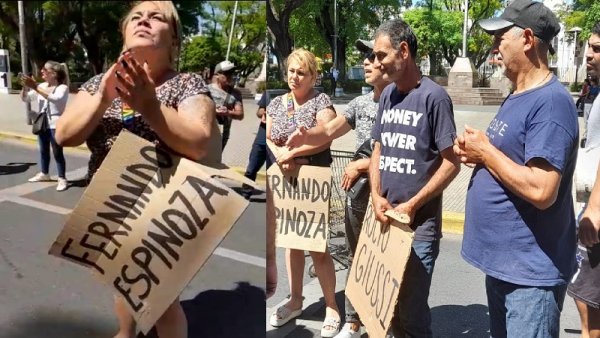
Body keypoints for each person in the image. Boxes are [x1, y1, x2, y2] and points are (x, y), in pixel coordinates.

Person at [55, 1, 221, 338]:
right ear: (124, 32)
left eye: (156, 17)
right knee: (121, 279)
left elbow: (200, 142)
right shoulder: (99, 83)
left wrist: (150, 107)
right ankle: (125, 331)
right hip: (112, 204)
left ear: (173, 40)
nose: (144, 20)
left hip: (165, 209)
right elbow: (64, 135)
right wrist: (104, 96)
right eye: (136, 17)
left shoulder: (187, 84)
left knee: (162, 300)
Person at [453, 1, 579, 337]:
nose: (494, 47)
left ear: (526, 38)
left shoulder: (550, 102)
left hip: (530, 277)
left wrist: (486, 152)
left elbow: (541, 190)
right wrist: (476, 154)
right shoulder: (518, 95)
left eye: (499, 38)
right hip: (506, 268)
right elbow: (505, 155)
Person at [284, 38, 390, 338]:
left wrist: (364, 164)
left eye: (373, 56)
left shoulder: (407, 101)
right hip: (358, 194)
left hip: (392, 194)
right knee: (357, 257)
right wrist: (294, 148)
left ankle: (387, 321)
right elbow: (328, 130)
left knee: (387, 261)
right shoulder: (360, 103)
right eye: (365, 57)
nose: (367, 62)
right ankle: (354, 321)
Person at [367, 19, 460, 337]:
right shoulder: (387, 95)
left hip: (418, 229)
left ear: (403, 51)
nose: (376, 62)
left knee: (412, 316)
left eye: (381, 55)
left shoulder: (435, 98)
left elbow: (452, 163)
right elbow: (378, 149)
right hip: (384, 224)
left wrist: (414, 204)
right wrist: (376, 195)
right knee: (387, 310)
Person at [266, 48, 341, 337]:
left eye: (301, 72)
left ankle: (332, 306)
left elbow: (326, 135)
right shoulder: (276, 103)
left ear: (313, 76)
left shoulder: (320, 101)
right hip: (284, 181)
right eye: (291, 71)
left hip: (312, 180)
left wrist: (294, 152)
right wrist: (281, 155)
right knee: (291, 243)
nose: (294, 77)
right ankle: (296, 299)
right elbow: (270, 138)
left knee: (317, 246)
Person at [568, 21, 600, 338]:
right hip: (589, 209)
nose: (588, 54)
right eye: (589, 47)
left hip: (596, 215)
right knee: (585, 300)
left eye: (597, 49)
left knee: (591, 308)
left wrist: (594, 208)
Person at [20, 61, 70, 191]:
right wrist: (25, 87)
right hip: (42, 123)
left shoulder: (62, 88)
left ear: (53, 74)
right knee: (43, 150)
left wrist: (35, 87)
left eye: (44, 70)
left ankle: (62, 178)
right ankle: (44, 173)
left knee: (57, 152)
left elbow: (55, 99)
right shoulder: (41, 85)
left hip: (56, 124)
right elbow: (26, 98)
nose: (41, 71)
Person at [208, 60, 244, 150]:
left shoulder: (236, 93)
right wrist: (213, 110)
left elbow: (240, 115)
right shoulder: (206, 90)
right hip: (205, 131)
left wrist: (228, 112)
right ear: (217, 75)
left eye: (232, 73)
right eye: (226, 73)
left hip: (222, 135)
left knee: (216, 160)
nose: (230, 76)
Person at [242, 92, 271, 199]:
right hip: (262, 138)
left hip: (280, 140)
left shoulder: (293, 95)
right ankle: (245, 193)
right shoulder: (268, 93)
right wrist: (265, 112)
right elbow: (259, 112)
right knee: (251, 169)